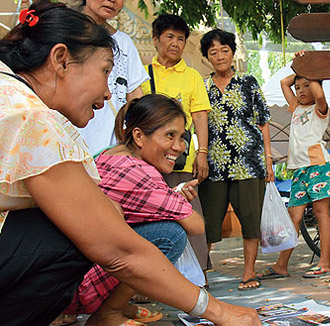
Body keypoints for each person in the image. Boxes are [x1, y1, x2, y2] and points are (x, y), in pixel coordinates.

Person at [0, 2, 260, 325]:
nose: (109, 94)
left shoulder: (12, 94)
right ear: (60, 60)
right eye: (105, 72)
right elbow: (119, 249)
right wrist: (219, 311)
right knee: (81, 232)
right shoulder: (31, 118)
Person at [58, 94, 205, 326]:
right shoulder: (139, 172)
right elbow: (196, 226)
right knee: (171, 235)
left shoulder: (110, 153)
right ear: (138, 136)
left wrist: (170, 198)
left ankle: (117, 304)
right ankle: (108, 312)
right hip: (79, 285)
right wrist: (178, 203)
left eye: (182, 137)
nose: (179, 147)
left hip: (66, 274)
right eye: (170, 135)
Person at [199, 29, 274, 291]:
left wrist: (268, 158)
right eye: (213, 52)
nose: (219, 56)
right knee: (207, 222)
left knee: (251, 220)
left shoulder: (248, 82)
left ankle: (249, 272)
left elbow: (263, 121)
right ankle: (201, 276)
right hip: (214, 166)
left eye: (224, 50)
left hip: (249, 162)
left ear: (233, 53)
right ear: (207, 57)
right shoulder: (201, 87)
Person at [141, 14, 212, 280]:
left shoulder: (192, 76)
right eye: (169, 37)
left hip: (182, 161)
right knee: (149, 218)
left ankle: (197, 278)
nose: (175, 43)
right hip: (148, 164)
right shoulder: (143, 74)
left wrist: (202, 153)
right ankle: (150, 280)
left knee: (190, 215)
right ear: (156, 40)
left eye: (181, 39)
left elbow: (201, 116)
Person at [258, 57, 330, 280]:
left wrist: (311, 71)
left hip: (318, 166)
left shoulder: (319, 108)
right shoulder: (295, 109)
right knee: (293, 217)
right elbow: (284, 83)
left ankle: (324, 263)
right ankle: (281, 265)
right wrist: (301, 68)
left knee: (322, 213)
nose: (301, 90)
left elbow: (320, 94)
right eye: (299, 87)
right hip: (299, 170)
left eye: (306, 86)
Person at [76, 0, 149, 155]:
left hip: (112, 151)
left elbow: (135, 96)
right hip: (70, 144)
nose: (112, 1)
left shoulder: (124, 43)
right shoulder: (66, 34)